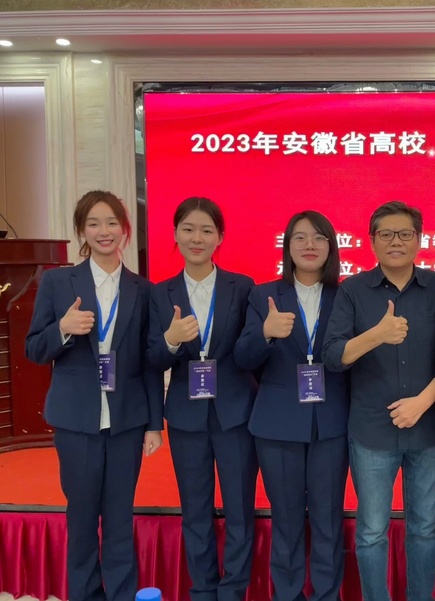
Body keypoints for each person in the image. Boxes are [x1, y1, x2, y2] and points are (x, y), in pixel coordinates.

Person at [25, 190, 163, 601]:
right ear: (81, 231)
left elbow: (149, 362)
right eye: (93, 223)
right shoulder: (58, 282)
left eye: (112, 223)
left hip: (127, 420)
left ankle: (121, 594)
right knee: (82, 518)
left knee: (119, 518)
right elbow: (34, 348)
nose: (104, 231)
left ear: (125, 229)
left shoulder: (143, 289)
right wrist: (62, 329)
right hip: (76, 420)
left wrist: (154, 424)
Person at [323, 201, 435, 601]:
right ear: (372, 241)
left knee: (424, 529)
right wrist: (376, 335)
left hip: (428, 428)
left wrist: (423, 402)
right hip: (371, 431)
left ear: (419, 240)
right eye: (386, 234)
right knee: (372, 531)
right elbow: (333, 356)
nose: (396, 241)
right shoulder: (353, 290)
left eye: (405, 234)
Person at [234, 210, 349, 601]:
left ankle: (326, 594)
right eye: (300, 238)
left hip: (331, 423)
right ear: (287, 247)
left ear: (331, 246)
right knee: (285, 520)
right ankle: (287, 594)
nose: (309, 245)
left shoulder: (345, 295)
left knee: (328, 520)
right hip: (277, 425)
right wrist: (265, 334)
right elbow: (243, 358)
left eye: (318, 237)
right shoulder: (263, 295)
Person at [147, 197, 258, 601]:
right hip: (185, 417)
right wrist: (170, 340)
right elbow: (151, 359)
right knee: (195, 511)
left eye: (206, 230)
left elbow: (251, 353)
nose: (197, 238)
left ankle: (233, 591)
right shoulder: (159, 293)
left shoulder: (242, 287)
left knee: (240, 511)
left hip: (236, 414)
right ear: (175, 235)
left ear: (220, 237)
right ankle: (203, 590)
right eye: (188, 229)